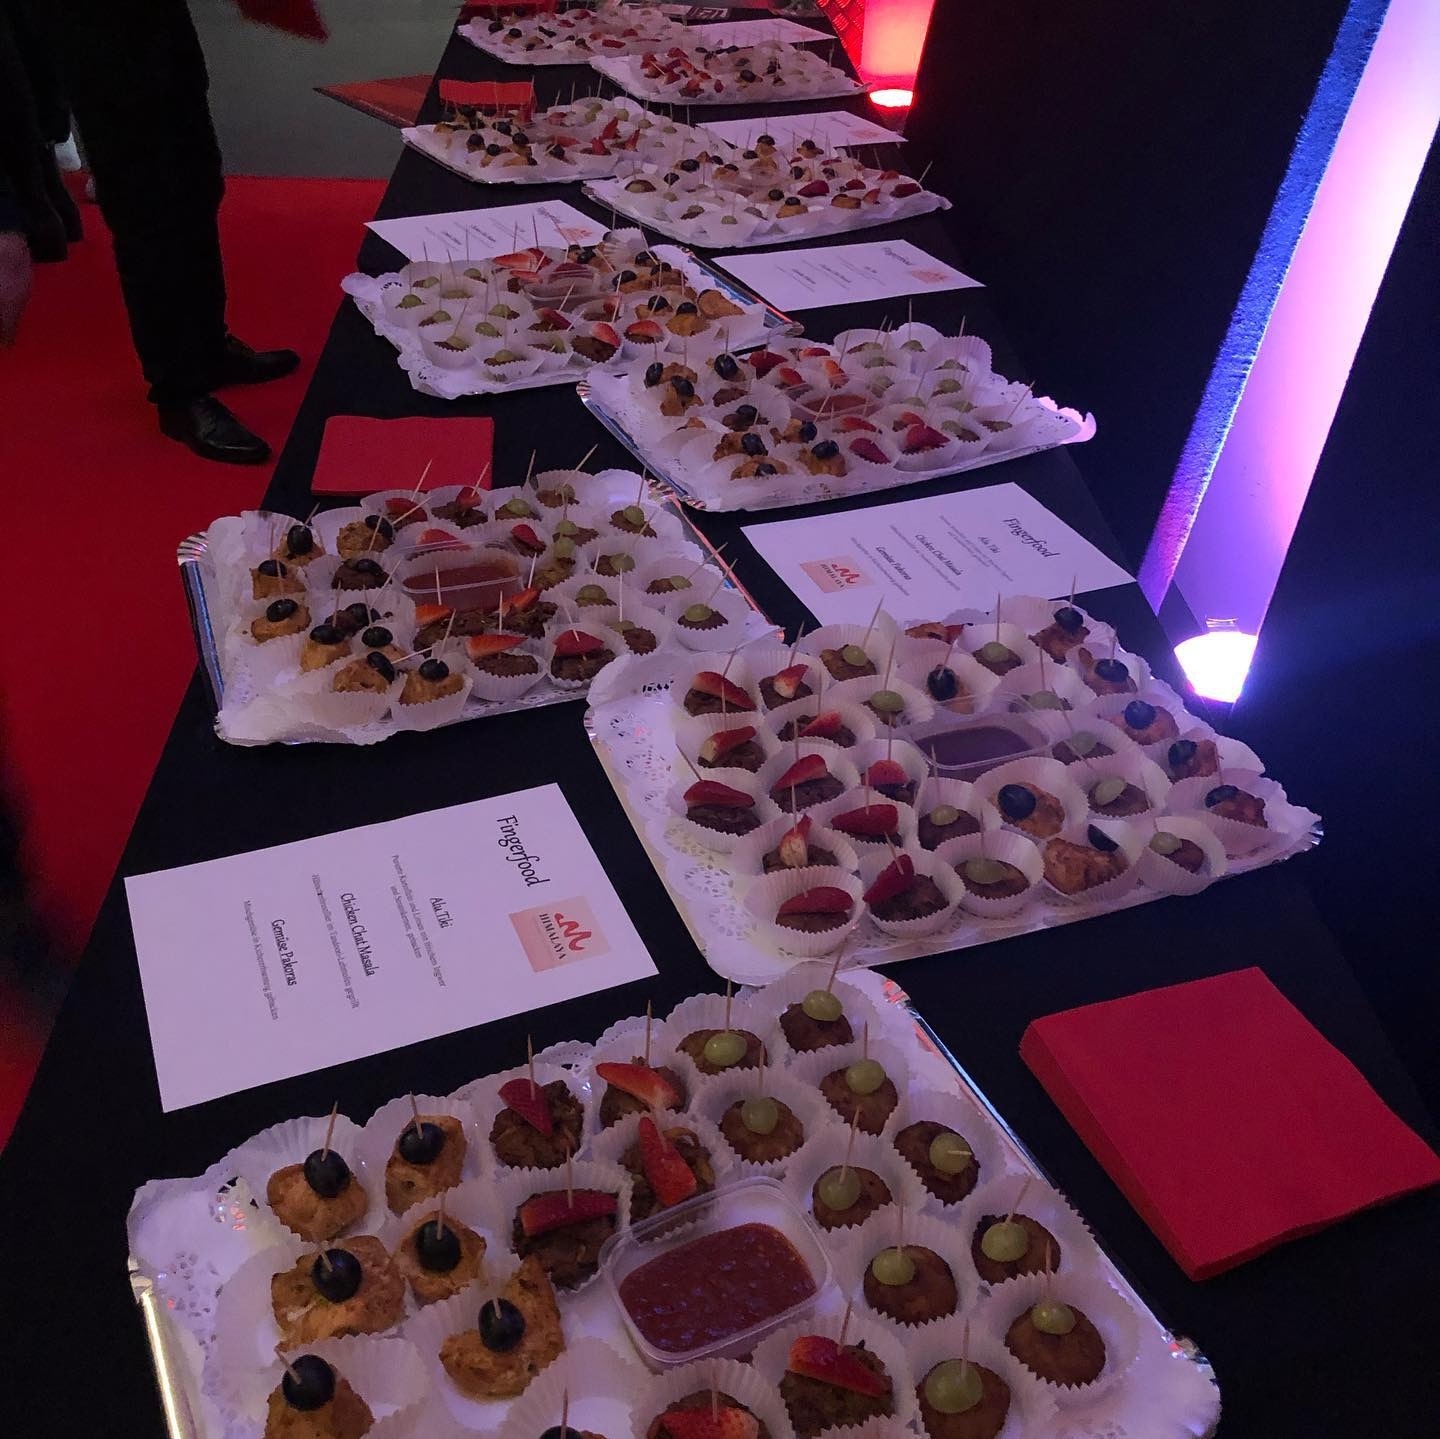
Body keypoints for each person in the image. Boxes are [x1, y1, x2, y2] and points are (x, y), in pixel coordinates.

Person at [38, 0, 303, 464]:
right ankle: (178, 393)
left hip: (162, 32)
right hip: (100, 42)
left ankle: (208, 348)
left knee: (198, 184)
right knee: (146, 212)